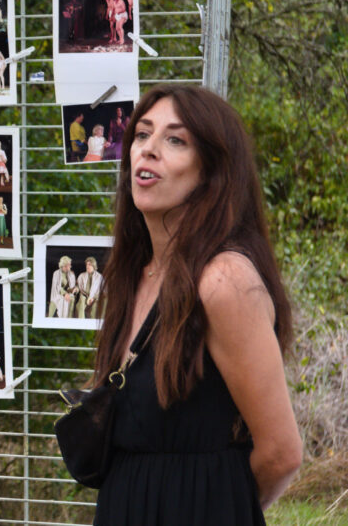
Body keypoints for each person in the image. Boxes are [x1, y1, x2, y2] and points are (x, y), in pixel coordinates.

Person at [91, 85, 301, 524]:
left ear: (210, 171)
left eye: (175, 140)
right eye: (142, 135)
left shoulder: (223, 281)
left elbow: (281, 453)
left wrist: (211, 505)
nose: (148, 150)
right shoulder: (133, 274)